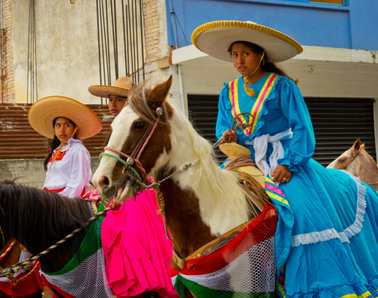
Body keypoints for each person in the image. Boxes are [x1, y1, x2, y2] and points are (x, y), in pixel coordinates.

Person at [192, 20, 378, 297]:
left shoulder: (282, 86)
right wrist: (229, 136)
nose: (239, 60)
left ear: (260, 55)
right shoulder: (227, 92)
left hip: (285, 157)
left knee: (302, 210)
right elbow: (222, 128)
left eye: (245, 54)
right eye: (235, 55)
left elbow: (302, 127)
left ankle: (316, 280)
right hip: (248, 157)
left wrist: (288, 164)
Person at [89, 78, 179, 297]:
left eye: (119, 99)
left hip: (140, 189)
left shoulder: (142, 125)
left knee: (134, 235)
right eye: (110, 99)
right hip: (120, 188)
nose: (113, 104)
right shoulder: (117, 127)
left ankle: (146, 281)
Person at [28, 95, 102, 199]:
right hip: (50, 199)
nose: (62, 130)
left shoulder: (78, 150)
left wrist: (61, 202)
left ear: (75, 128)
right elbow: (49, 181)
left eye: (67, 125)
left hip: (66, 203)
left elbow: (77, 184)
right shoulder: (56, 151)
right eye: (58, 125)